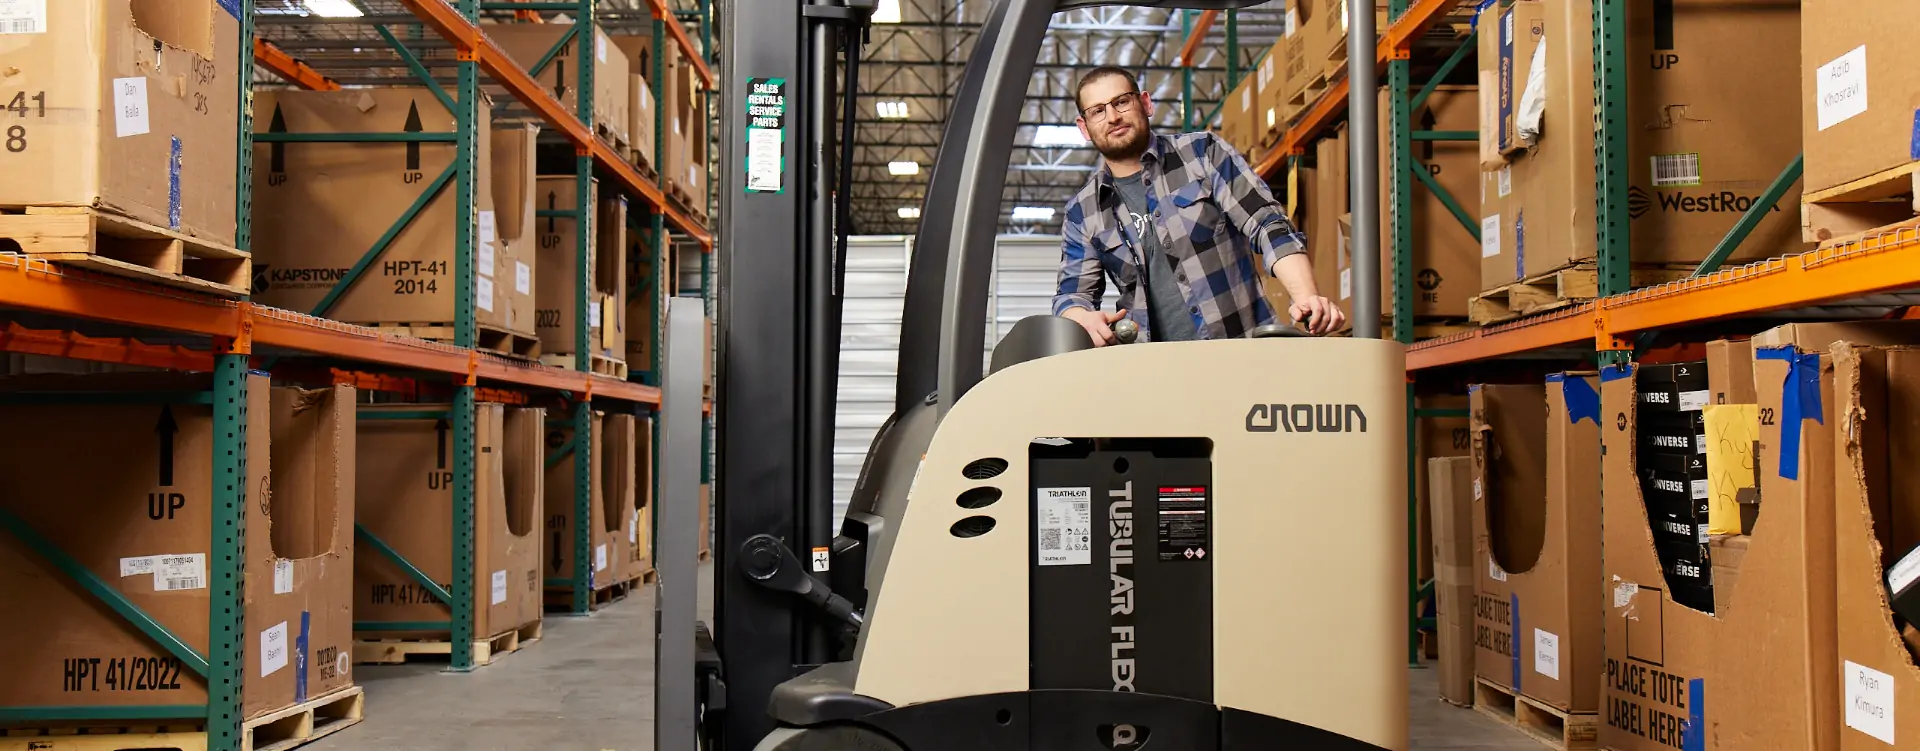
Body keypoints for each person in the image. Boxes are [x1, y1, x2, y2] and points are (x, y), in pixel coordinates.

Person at [1052, 66, 1344, 345]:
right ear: (1084, 127)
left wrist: (1306, 296)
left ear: (1145, 103)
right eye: (1098, 111)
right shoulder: (1083, 212)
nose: (1113, 116)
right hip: (1152, 372)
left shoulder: (1203, 154)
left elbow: (1267, 223)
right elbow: (1072, 295)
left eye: (1121, 102)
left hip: (1240, 353)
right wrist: (1079, 318)